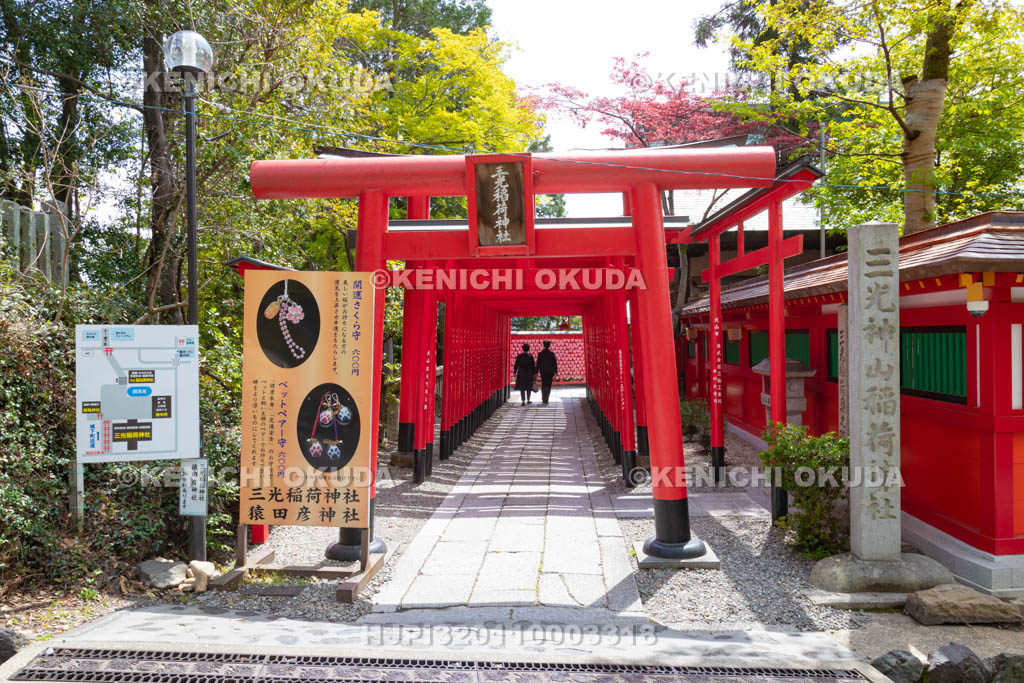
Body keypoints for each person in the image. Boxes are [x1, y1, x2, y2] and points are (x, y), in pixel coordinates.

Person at [536, 340, 558, 405]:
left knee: (543, 384)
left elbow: (538, 363)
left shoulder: (540, 354)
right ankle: (547, 399)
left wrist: (536, 371)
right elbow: (555, 363)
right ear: (549, 345)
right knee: (549, 384)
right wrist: (555, 372)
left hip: (543, 371)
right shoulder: (552, 354)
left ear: (543, 345)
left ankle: (543, 398)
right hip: (550, 371)